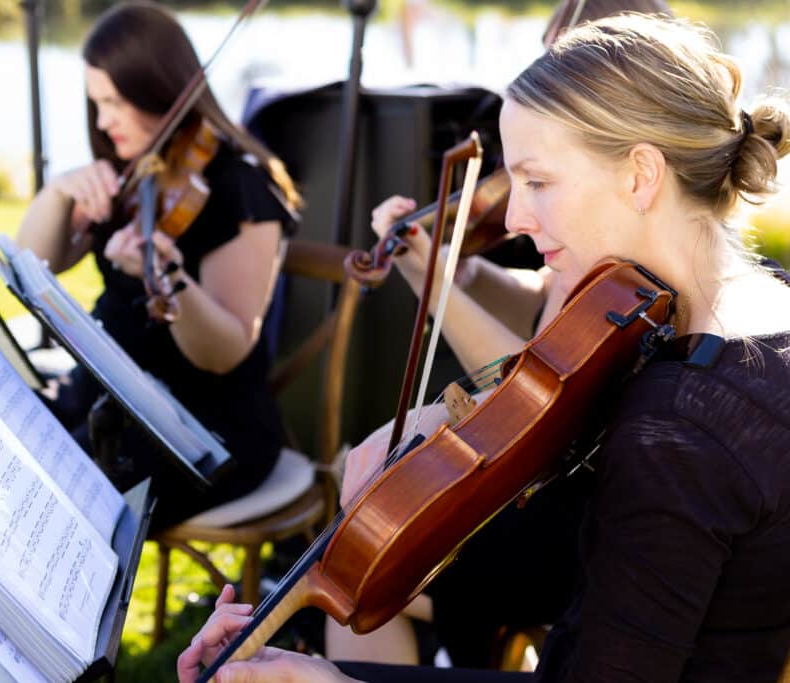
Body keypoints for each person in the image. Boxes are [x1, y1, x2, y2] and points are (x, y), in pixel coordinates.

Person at [178, 13, 790, 683]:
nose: (518, 219)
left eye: (539, 182)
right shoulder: (753, 314)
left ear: (641, 174)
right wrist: (451, 420)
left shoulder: (676, 433)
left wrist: (329, 682)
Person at [326, 0, 676, 669]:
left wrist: (439, 285)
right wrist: (451, 267)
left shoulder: (640, 243)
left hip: (580, 522)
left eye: (561, 70)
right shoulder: (604, 225)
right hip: (555, 488)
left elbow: (543, 386)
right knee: (363, 528)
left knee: (364, 566)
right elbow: (549, 306)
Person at [14, 1, 302, 532]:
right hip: (110, 400)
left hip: (205, 431)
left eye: (116, 103)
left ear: (158, 88)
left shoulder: (243, 187)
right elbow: (38, 262)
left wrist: (169, 279)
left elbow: (224, 352)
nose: (102, 121)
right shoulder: (133, 172)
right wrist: (58, 192)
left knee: (48, 500)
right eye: (95, 103)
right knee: (6, 445)